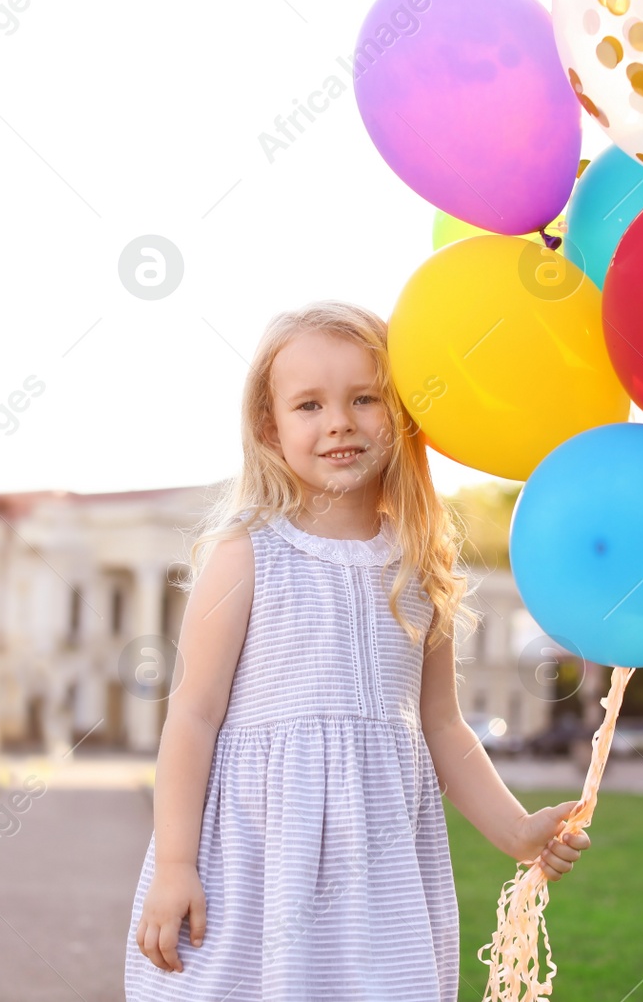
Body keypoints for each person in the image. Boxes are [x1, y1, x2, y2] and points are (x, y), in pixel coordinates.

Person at [125, 302, 592, 1001]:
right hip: (262, 861)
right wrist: (175, 864)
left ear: (401, 414)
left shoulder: (418, 566)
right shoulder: (247, 554)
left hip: (380, 871)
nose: (339, 420)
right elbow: (192, 716)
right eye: (308, 404)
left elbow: (442, 726)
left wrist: (518, 830)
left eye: (364, 398)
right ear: (269, 426)